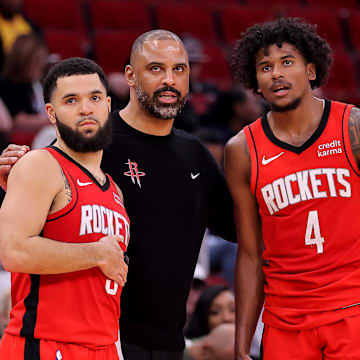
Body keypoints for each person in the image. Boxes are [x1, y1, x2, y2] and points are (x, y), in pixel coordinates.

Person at [0, 30, 236, 360]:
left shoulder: (194, 154)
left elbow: (241, 227)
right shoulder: (86, 142)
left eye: (179, 69)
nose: (168, 80)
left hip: (166, 342)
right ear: (129, 76)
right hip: (90, 336)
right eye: (155, 68)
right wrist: (17, 174)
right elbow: (24, 230)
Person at [225, 16, 360, 360]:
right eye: (265, 67)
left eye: (287, 62)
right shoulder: (242, 150)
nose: (276, 73)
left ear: (312, 70)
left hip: (353, 310)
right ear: (255, 80)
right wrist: (242, 344)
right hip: (285, 322)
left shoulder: (353, 127)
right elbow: (251, 254)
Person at [0, 57, 129, 359]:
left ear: (108, 105)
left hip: (105, 346)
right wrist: (96, 253)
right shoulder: (40, 164)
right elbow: (14, 251)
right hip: (46, 344)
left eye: (94, 98)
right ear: (51, 113)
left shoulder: (115, 189)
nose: (86, 108)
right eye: (71, 100)